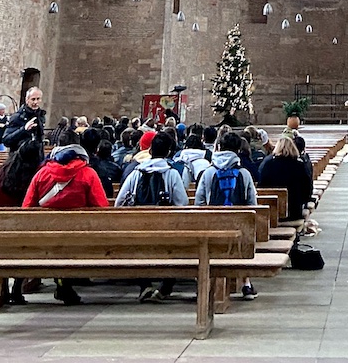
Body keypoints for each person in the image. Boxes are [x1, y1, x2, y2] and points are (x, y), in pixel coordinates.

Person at [22, 144, 108, 305]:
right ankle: (65, 283)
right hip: (80, 237)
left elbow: (27, 207)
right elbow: (101, 206)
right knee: (70, 245)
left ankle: (62, 282)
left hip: (46, 237)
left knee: (57, 245)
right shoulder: (88, 174)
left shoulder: (42, 174)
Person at [115, 132, 189, 302]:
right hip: (166, 231)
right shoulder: (171, 174)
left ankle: (144, 284)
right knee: (177, 247)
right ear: (169, 152)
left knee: (138, 247)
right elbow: (182, 203)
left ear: (150, 150)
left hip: (139, 230)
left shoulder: (136, 173)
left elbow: (119, 202)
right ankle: (166, 286)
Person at [195, 131, 258, 300]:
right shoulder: (244, 173)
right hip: (238, 227)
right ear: (238, 150)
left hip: (213, 226)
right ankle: (246, 283)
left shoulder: (209, 172)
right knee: (242, 243)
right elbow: (252, 203)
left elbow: (199, 200)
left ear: (220, 147)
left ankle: (206, 284)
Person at [0, 140, 44, 304]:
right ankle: (16, 287)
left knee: (5, 248)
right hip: (27, 227)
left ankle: (4, 288)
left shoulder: (1, 172)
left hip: (0, 226)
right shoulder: (37, 175)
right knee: (28, 248)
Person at [259, 136, 314, 223]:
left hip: (273, 211)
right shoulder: (299, 165)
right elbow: (308, 188)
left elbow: (261, 186)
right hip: (294, 211)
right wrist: (301, 202)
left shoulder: (268, 165)